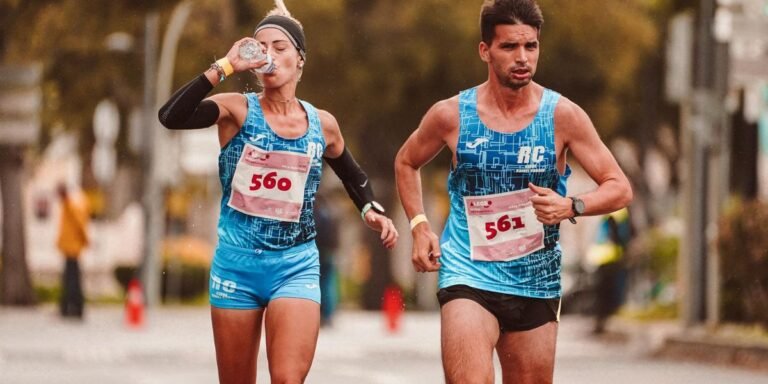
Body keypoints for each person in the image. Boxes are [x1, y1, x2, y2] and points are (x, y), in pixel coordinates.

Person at [157, 1, 398, 383]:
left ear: (300, 60)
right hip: (237, 265)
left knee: (287, 378)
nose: (268, 55)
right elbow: (171, 116)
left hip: (295, 265)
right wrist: (225, 65)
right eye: (260, 46)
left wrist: (370, 208)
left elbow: (353, 176)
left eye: (279, 47)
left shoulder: (323, 124)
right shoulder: (236, 110)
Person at [394, 1, 633, 382]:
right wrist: (420, 225)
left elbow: (619, 187)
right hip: (467, 272)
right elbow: (407, 162)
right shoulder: (451, 115)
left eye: (530, 47)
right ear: (485, 50)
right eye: (509, 47)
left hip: (535, 280)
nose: (522, 58)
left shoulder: (562, 116)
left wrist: (571, 204)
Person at [586, 207, 632, 334]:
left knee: (601, 294)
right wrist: (624, 250)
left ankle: (599, 322)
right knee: (607, 294)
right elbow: (617, 234)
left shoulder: (608, 211)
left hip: (601, 258)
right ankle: (601, 322)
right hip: (610, 258)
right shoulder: (618, 211)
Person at [56, 183, 90, 319]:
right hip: (69, 247)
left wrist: (85, 239)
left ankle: (73, 308)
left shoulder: (74, 203)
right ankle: (68, 307)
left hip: (73, 248)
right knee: (69, 279)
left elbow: (79, 222)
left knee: (72, 280)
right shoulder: (69, 203)